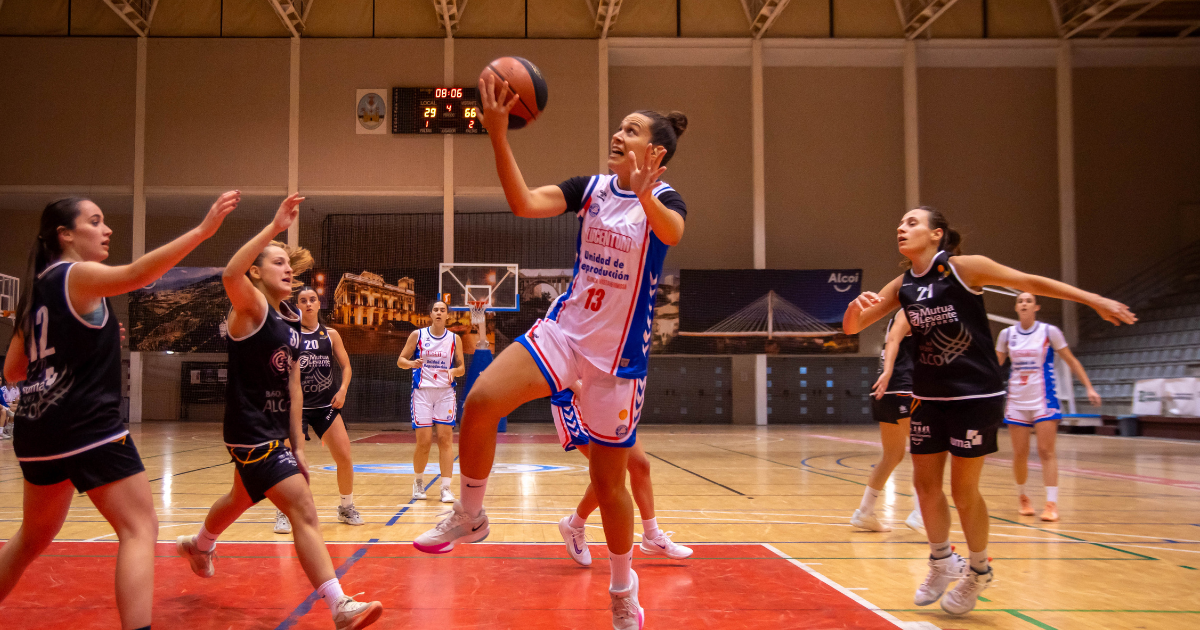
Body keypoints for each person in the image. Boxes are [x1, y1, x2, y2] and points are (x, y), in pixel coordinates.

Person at [413, 72, 689, 630]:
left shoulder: (661, 198)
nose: (617, 133)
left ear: (654, 151)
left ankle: (622, 588)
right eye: (617, 126)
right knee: (482, 400)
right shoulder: (590, 189)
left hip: (617, 360)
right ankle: (470, 514)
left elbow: (674, 233)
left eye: (630, 130)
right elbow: (523, 202)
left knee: (611, 483)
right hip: (564, 332)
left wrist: (642, 193)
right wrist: (497, 134)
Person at [843, 206, 1134, 616]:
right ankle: (941, 562)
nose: (901, 227)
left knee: (963, 492)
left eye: (912, 223)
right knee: (925, 486)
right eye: (900, 222)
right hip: (929, 396)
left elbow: (1029, 281)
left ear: (936, 235)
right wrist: (856, 307)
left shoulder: (965, 269)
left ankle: (978, 570)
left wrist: (1092, 298)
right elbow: (853, 328)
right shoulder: (904, 283)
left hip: (975, 395)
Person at [0, 192, 240, 630]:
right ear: (66, 234)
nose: (107, 229)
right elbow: (136, 275)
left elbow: (13, 370)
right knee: (138, 529)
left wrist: (89, 340)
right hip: (87, 425)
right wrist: (204, 231)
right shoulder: (78, 273)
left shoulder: (36, 291)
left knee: (31, 539)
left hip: (35, 429)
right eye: (95, 221)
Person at [175, 195, 383, 630]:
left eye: (290, 264)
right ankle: (339, 604)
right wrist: (272, 227)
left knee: (238, 498)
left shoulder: (288, 322)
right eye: (276, 262)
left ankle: (200, 544)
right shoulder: (250, 309)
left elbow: (291, 386)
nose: (288, 269)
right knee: (304, 509)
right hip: (250, 431)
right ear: (257, 272)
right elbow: (231, 272)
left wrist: (299, 445)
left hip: (272, 430)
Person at [552, 381, 693, 566]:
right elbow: (560, 362)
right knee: (610, 472)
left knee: (640, 465)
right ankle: (574, 525)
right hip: (575, 399)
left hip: (610, 398)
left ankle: (652, 536)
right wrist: (584, 393)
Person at [995, 292, 1101, 523]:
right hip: (1017, 400)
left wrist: (1089, 387)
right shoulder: (1006, 335)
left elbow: (1071, 360)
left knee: (1046, 451)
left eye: (1028, 301)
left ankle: (1051, 504)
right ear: (1016, 308)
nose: (1024, 304)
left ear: (1036, 307)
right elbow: (995, 367)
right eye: (1020, 301)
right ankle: (1023, 497)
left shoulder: (1049, 332)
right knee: (1020, 454)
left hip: (1044, 399)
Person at [274, 286, 362, 534]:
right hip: (296, 408)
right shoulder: (289, 335)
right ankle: (283, 512)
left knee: (344, 456)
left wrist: (343, 389)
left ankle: (346, 507)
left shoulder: (331, 334)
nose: (309, 303)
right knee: (289, 461)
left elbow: (346, 367)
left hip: (326, 405)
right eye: (303, 300)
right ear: (297, 306)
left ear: (319, 304)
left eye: (312, 299)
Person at [851, 310, 924, 534]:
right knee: (925, 452)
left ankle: (864, 512)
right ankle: (921, 513)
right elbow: (893, 340)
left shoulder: (913, 314)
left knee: (893, 455)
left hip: (887, 392)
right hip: (901, 389)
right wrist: (890, 370)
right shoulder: (910, 311)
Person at [396, 300, 465, 503]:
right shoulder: (418, 335)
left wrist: (454, 370)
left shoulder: (454, 339)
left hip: (445, 393)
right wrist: (411, 363)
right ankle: (418, 482)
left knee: (445, 440)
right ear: (431, 314)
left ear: (447, 316)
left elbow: (461, 367)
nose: (438, 313)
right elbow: (400, 360)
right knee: (424, 442)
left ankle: (445, 488)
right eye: (435, 309)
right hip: (422, 392)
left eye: (442, 310)